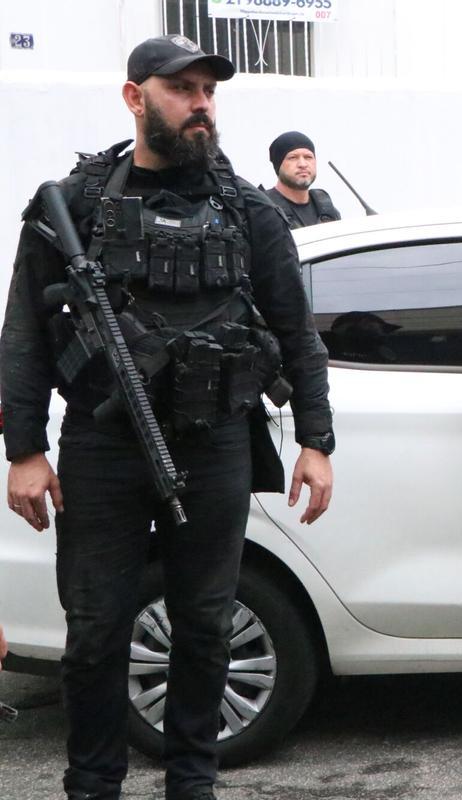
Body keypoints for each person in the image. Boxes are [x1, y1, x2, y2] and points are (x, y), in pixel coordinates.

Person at [0, 35, 334, 800]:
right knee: (93, 634)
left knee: (206, 626)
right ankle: (93, 784)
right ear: (135, 97)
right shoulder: (77, 204)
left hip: (216, 441)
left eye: (208, 91)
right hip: (102, 443)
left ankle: (193, 782)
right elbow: (23, 335)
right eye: (181, 88)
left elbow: (295, 333)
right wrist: (24, 448)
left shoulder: (249, 210)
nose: (200, 103)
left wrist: (317, 440)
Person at [265, 130, 342, 228]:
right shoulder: (264, 209)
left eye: (308, 157)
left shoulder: (328, 211)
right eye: (293, 157)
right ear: (278, 165)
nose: (303, 164)